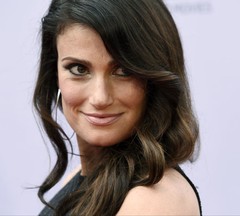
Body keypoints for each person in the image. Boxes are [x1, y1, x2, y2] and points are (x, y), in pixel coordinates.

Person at [33, 0, 201, 215]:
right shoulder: (83, 177)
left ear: (155, 80)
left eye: (123, 71)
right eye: (79, 69)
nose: (100, 97)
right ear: (54, 73)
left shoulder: (152, 199)